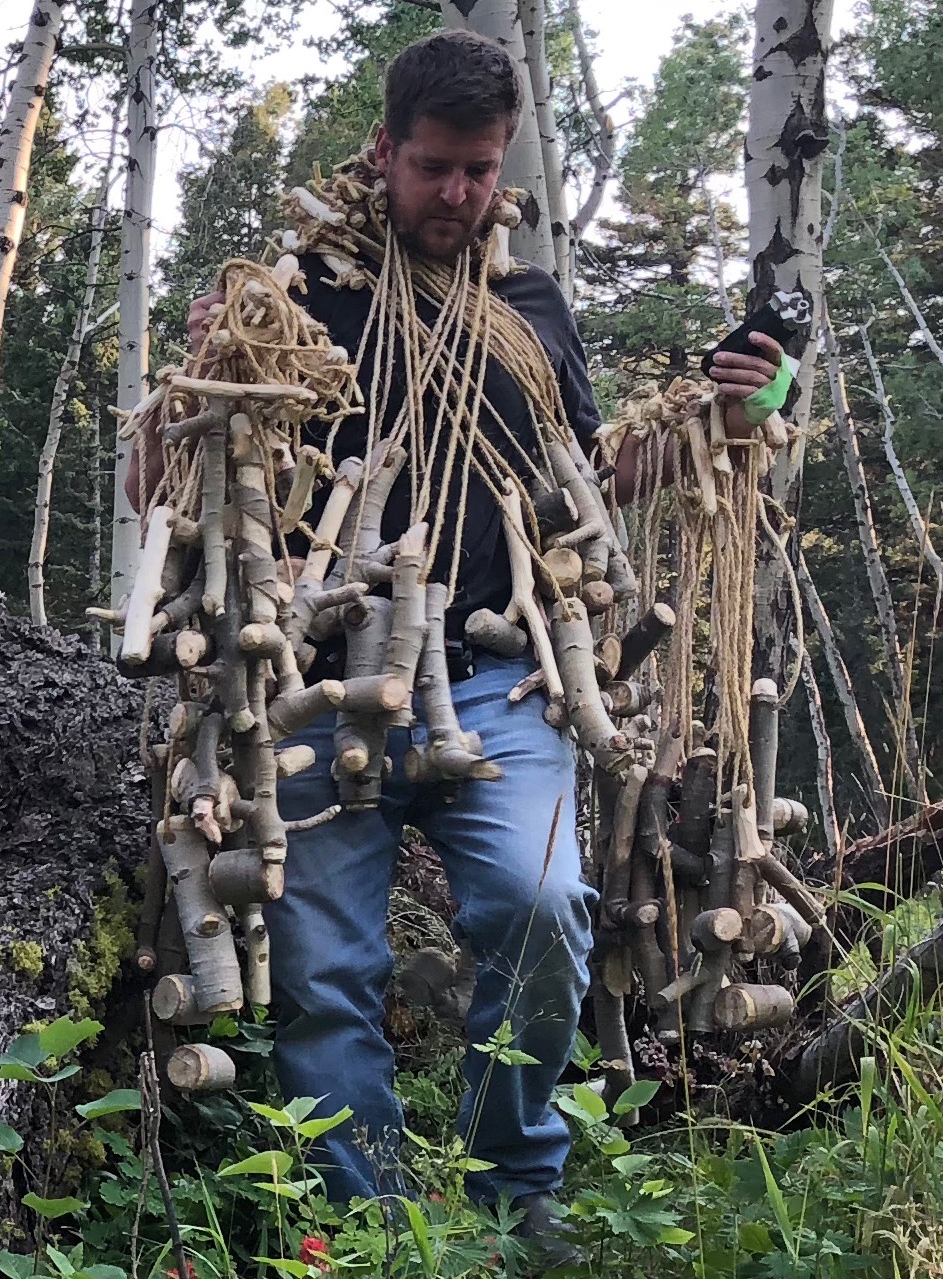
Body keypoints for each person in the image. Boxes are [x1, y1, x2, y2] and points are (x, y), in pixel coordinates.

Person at [130, 28, 785, 1254]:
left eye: (479, 170)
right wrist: (202, 386)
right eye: (433, 166)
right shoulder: (295, 295)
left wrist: (720, 415)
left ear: (505, 164)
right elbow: (150, 486)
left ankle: (510, 1189)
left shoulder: (529, 311)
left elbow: (586, 483)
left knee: (542, 908)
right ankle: (362, 1219)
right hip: (312, 685)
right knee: (324, 971)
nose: (457, 195)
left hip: (496, 677)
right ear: (383, 151)